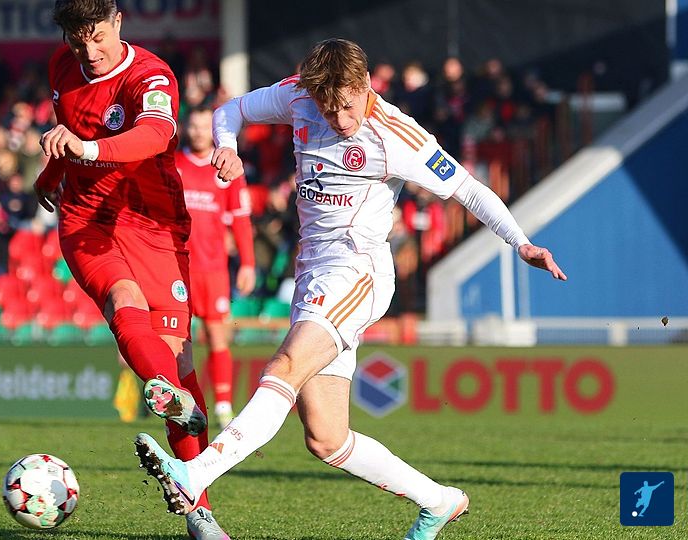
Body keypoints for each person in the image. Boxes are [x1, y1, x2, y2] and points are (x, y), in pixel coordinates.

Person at [133, 39, 567, 540]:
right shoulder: (299, 95)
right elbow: (230, 111)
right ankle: (439, 501)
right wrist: (227, 146)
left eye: (346, 105)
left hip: (358, 272)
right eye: (328, 108)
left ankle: (195, 474)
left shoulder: (396, 134)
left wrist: (520, 242)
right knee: (325, 436)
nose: (338, 119)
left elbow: (468, 188)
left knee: (284, 367)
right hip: (313, 273)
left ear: (365, 86)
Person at [33, 1, 228, 538]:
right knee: (123, 300)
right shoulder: (62, 66)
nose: (89, 52)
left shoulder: (150, 75)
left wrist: (86, 147)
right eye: (78, 41)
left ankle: (198, 503)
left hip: (152, 225)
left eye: (97, 37)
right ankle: (173, 407)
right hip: (85, 221)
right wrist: (52, 172)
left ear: (118, 21)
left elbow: (156, 135)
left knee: (179, 362)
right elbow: (69, 128)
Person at [178, 105, 256, 428]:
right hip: (177, 266)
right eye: (193, 126)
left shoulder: (227, 167)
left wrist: (248, 263)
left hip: (213, 269)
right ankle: (184, 404)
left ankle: (223, 406)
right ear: (186, 128)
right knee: (180, 339)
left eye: (203, 126)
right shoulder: (174, 164)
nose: (198, 132)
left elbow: (240, 220)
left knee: (217, 335)